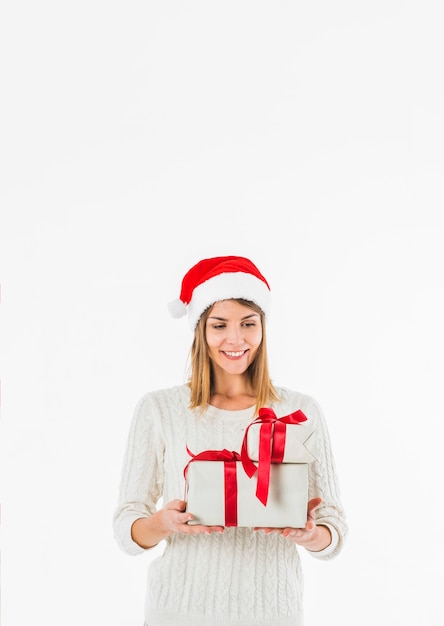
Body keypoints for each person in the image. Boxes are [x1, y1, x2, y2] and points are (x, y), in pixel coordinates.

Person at [113, 255, 347, 626]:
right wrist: (163, 522)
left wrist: (310, 533)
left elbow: (334, 533)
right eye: (219, 325)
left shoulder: (301, 411)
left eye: (248, 324)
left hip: (272, 614)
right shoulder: (160, 409)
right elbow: (127, 528)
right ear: (201, 331)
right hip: (178, 612)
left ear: (262, 329)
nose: (235, 339)